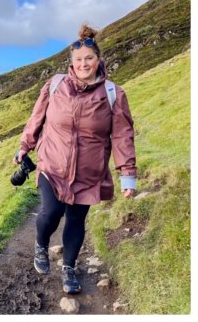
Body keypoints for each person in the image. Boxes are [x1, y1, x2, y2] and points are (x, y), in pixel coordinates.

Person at [15, 24, 137, 295]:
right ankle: (41, 244)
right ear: (72, 62)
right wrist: (25, 146)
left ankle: (69, 268)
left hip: (88, 172)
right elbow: (37, 118)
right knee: (51, 211)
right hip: (52, 164)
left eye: (89, 59)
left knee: (75, 221)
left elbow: (122, 135)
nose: (84, 64)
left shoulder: (113, 94)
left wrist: (127, 174)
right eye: (79, 60)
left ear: (98, 60)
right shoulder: (55, 85)